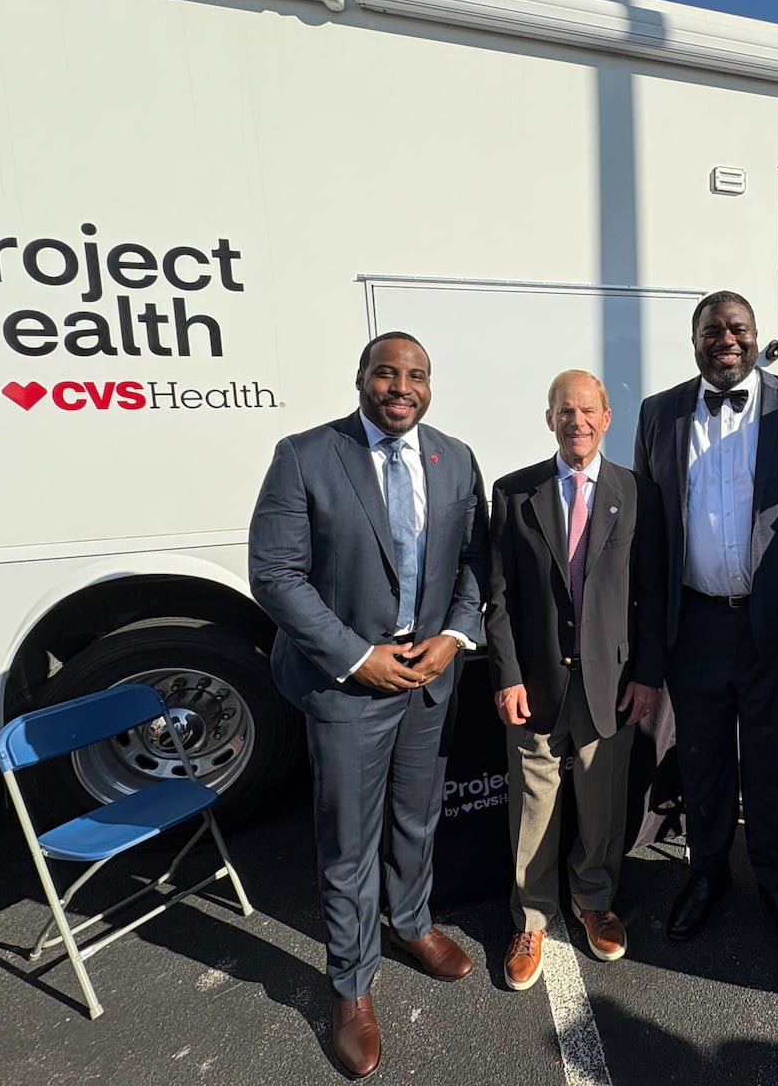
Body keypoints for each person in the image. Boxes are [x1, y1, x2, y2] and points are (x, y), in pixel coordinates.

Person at [248, 331, 488, 1079]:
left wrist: (454, 634)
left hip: (428, 677)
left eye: (416, 375)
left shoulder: (455, 457)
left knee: (417, 815)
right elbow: (276, 575)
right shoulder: (305, 455)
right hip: (349, 684)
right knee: (349, 840)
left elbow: (476, 560)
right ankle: (351, 982)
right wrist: (358, 655)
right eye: (387, 373)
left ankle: (412, 923)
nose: (401, 387)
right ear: (362, 378)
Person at [632, 291, 778, 958]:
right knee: (699, 757)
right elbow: (650, 529)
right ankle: (706, 872)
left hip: (773, 623)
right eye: (711, 331)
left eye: (737, 329)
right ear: (694, 340)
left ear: (757, 338)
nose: (725, 340)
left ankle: (776, 880)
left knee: (769, 755)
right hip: (693, 621)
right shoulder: (659, 412)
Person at [486, 369, 666, 990]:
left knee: (601, 801)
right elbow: (500, 598)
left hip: (610, 684)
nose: (577, 422)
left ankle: (594, 900)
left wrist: (647, 676)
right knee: (532, 807)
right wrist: (507, 677)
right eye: (566, 411)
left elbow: (652, 597)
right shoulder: (513, 494)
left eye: (588, 411)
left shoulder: (639, 493)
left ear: (607, 418)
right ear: (549, 419)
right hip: (536, 686)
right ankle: (531, 918)